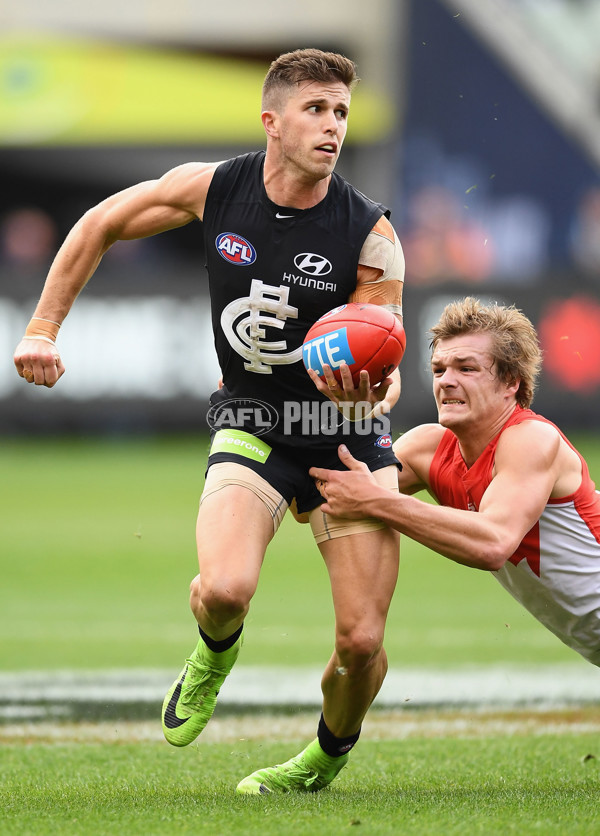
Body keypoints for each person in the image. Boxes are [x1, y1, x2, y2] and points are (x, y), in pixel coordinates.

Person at [13, 49, 406, 793]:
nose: (333, 127)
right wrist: (42, 327)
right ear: (272, 121)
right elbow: (100, 223)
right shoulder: (214, 188)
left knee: (361, 639)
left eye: (342, 113)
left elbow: (386, 355)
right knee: (224, 589)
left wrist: (371, 393)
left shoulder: (371, 232)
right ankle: (213, 655)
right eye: (316, 110)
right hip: (253, 418)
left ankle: (322, 758)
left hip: (346, 438)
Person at [311, 297, 600, 669]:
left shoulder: (530, 439)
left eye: (467, 368)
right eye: (439, 369)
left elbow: (493, 543)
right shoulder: (426, 447)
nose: (447, 380)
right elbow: (327, 494)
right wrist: (351, 415)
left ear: (511, 382)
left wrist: (376, 501)